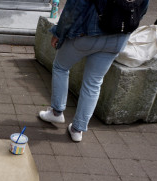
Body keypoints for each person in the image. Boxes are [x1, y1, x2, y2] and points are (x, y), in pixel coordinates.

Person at [38, 0, 149, 142]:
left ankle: (56, 112)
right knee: (94, 83)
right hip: (117, 39)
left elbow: (74, 8)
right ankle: (77, 129)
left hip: (86, 35)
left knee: (61, 67)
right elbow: (142, 10)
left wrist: (58, 32)